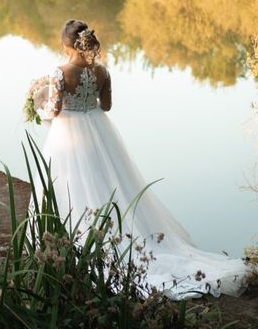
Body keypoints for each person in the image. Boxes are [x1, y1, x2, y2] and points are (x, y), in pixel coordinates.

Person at [33, 19, 249, 300]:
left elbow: (54, 109)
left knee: (72, 184)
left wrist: (38, 100)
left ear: (65, 44)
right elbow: (106, 106)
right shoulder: (102, 71)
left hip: (69, 136)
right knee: (108, 183)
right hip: (99, 132)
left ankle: (75, 242)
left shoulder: (59, 72)